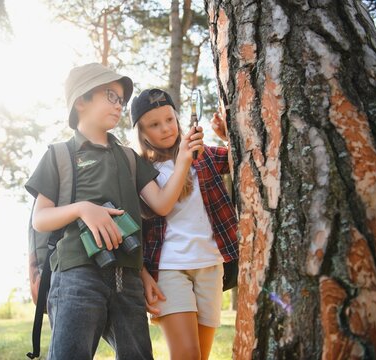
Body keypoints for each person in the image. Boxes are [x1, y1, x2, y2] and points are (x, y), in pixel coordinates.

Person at [25, 64, 204, 360]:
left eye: (121, 99)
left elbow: (161, 204)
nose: (118, 104)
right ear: (81, 101)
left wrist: (184, 160)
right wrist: (84, 209)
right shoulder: (59, 155)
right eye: (110, 95)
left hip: (128, 280)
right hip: (76, 276)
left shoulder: (129, 157)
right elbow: (40, 219)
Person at [131, 88, 238, 360]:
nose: (166, 128)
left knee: (201, 355)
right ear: (142, 133)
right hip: (169, 268)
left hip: (211, 265)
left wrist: (227, 136)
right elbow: (155, 210)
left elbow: (244, 159)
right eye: (154, 124)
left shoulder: (202, 155)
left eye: (169, 119)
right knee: (186, 355)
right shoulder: (141, 169)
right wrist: (182, 159)